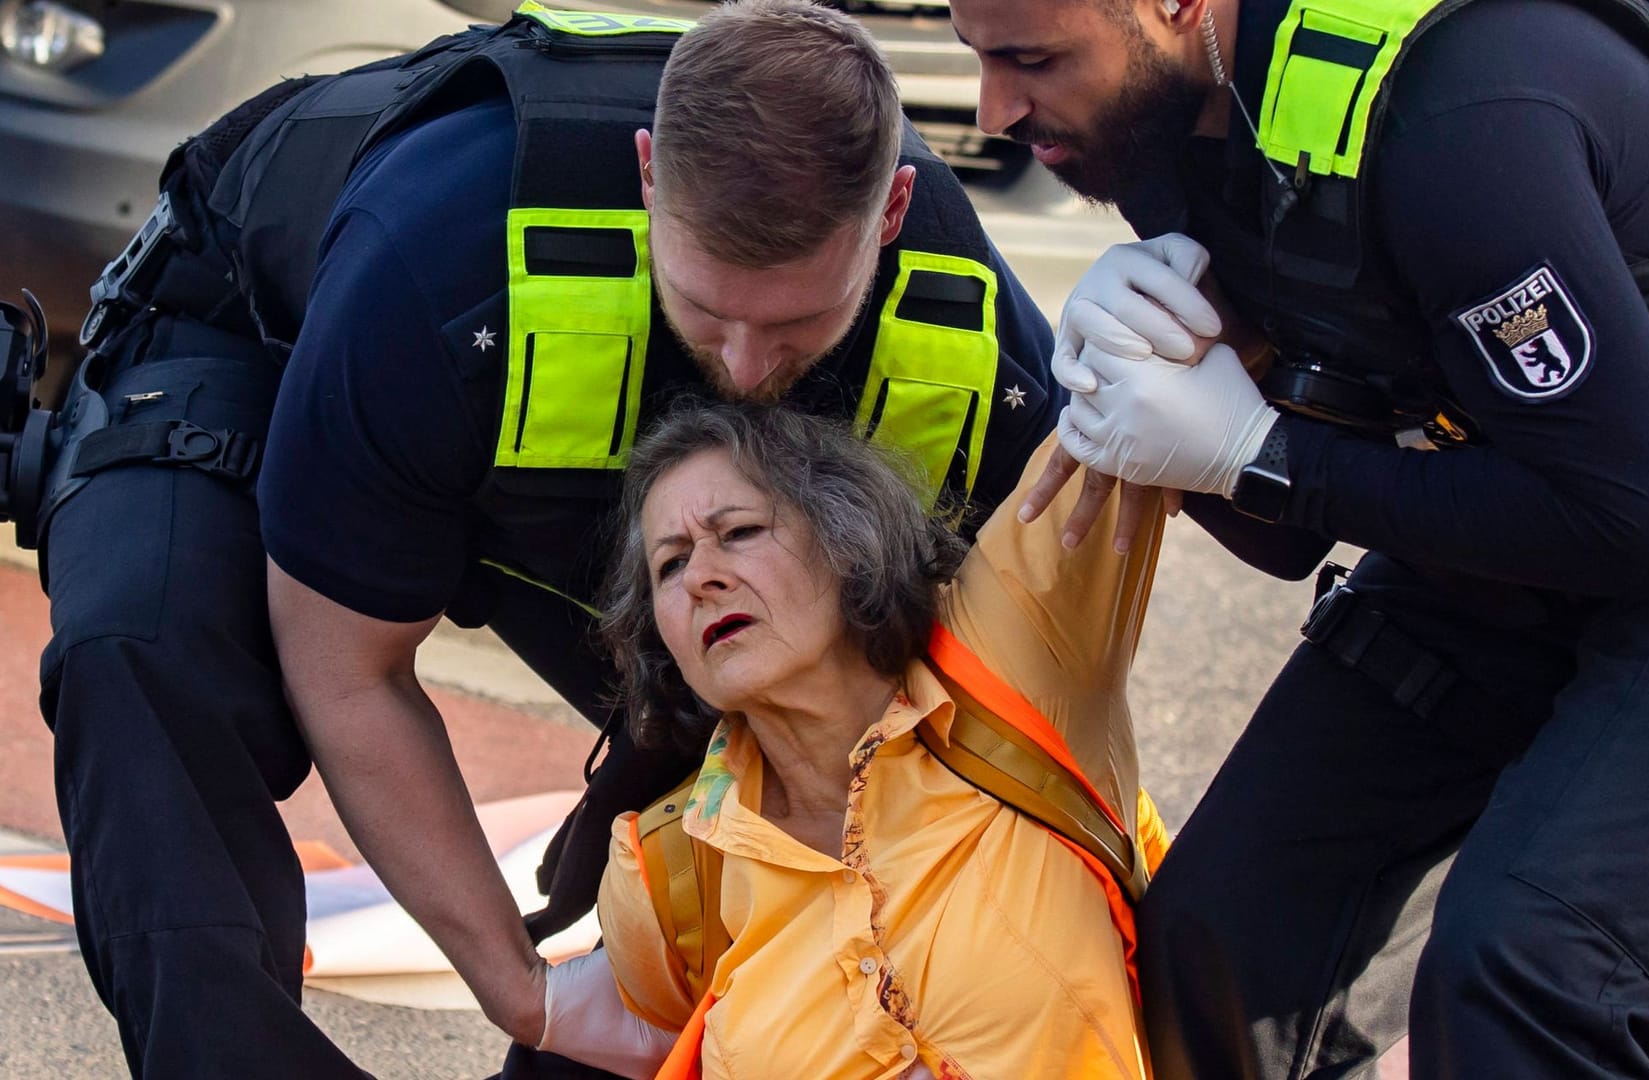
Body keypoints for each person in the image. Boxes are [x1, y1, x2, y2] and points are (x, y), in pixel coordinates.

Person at [32, 2, 1061, 1075]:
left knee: (810, 713)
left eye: (798, 325)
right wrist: (525, 994)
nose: (752, 367)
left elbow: (1021, 703)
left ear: (891, 212)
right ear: (651, 176)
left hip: (551, 454)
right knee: (144, 660)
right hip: (255, 333)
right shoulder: (438, 264)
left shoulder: (964, 320)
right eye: (712, 312)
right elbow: (348, 676)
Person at [945, 0, 1649, 1077]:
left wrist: (1252, 453)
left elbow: (1630, 527)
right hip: (1522, 517)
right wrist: (1152, 404)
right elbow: (1289, 533)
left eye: (1030, 59)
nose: (996, 110)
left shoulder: (1460, 111)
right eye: (978, 58)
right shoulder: (1166, 123)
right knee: (1224, 940)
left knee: (1521, 978)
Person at [529, 402, 1166, 1079]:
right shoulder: (665, 873)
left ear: (849, 539)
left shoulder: (1014, 661)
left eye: (739, 532)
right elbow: (658, 1034)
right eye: (670, 564)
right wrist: (521, 1000)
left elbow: (1122, 400)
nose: (700, 577)